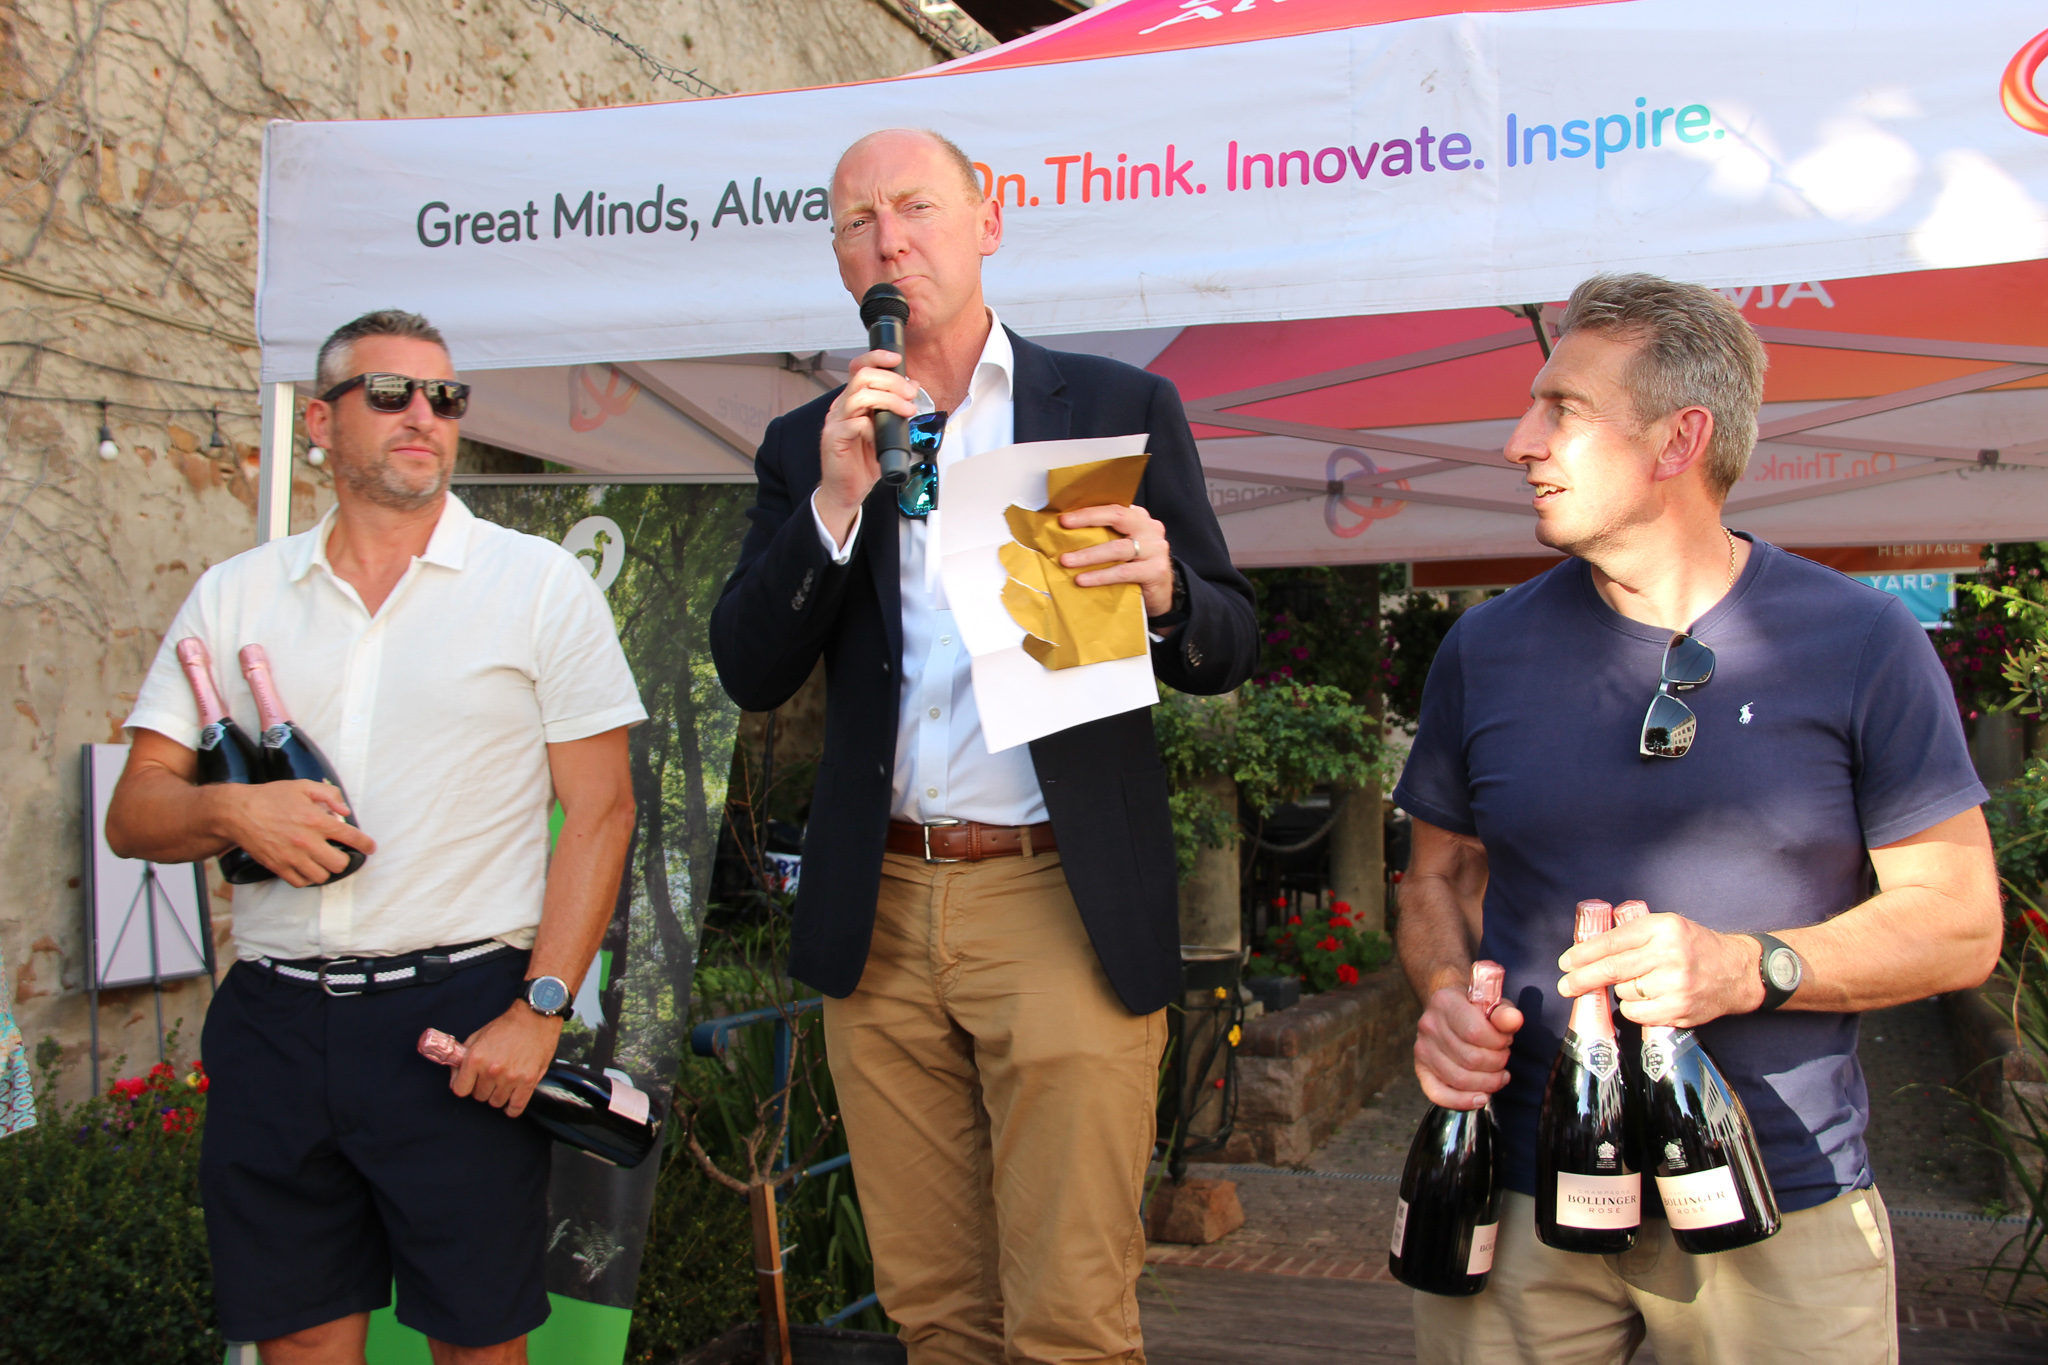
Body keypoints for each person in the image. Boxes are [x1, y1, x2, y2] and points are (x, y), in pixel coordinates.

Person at [710, 128, 1256, 1364]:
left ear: (988, 220)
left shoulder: (1113, 408)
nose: (887, 241)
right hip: (881, 908)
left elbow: (1227, 641)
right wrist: (834, 502)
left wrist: (1167, 590)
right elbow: (748, 665)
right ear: (839, 259)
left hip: (1055, 897)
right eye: (857, 222)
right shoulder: (808, 442)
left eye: (914, 207)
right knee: (935, 1317)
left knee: (1069, 1319)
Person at [1391, 274, 2001, 1364]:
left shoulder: (1862, 643)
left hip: (1779, 1202)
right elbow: (1438, 876)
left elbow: (1959, 923)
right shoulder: (1483, 648)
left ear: (1678, 440)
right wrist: (1443, 995)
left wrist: (1744, 968)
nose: (1518, 441)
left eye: (1562, 409)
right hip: (1518, 1198)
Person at [107, 310, 644, 1365]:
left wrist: (539, 1010)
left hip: (457, 1016)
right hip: (273, 1015)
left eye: (445, 397)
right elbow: (136, 811)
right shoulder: (237, 593)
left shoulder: (536, 582)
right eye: (390, 393)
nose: (423, 416)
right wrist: (230, 810)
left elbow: (602, 811)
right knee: (300, 1342)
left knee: (477, 1344)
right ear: (320, 422)